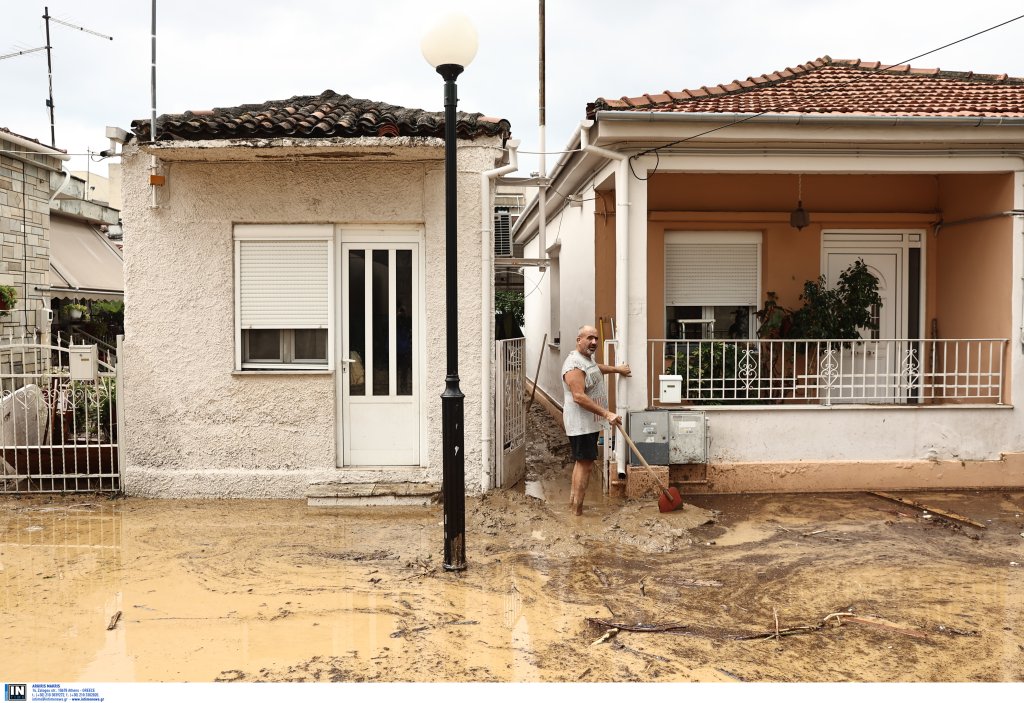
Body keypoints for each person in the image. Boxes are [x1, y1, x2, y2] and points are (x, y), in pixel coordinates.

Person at [561, 324, 631, 515]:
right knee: (586, 465)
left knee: (582, 463)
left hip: (588, 423)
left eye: (596, 338)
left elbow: (595, 369)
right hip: (581, 424)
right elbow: (578, 396)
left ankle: (573, 507)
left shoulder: (585, 360)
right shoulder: (573, 365)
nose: (594, 342)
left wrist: (616, 369)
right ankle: (577, 512)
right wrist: (607, 414)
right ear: (579, 340)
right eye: (589, 338)